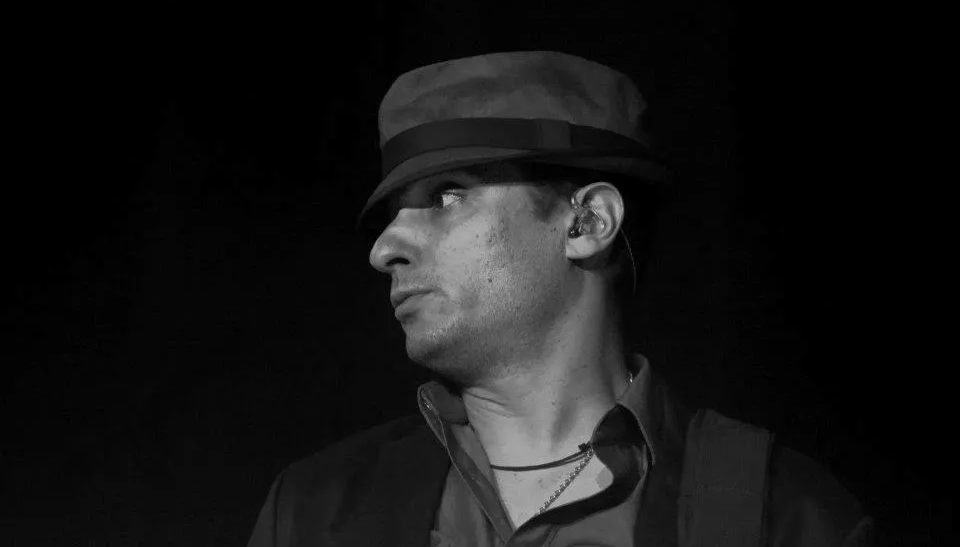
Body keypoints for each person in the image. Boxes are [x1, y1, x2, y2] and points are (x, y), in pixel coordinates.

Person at [246, 51, 873, 546]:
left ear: (587, 222)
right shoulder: (314, 509)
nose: (385, 247)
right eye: (391, 214)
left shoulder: (780, 516)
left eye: (446, 195)